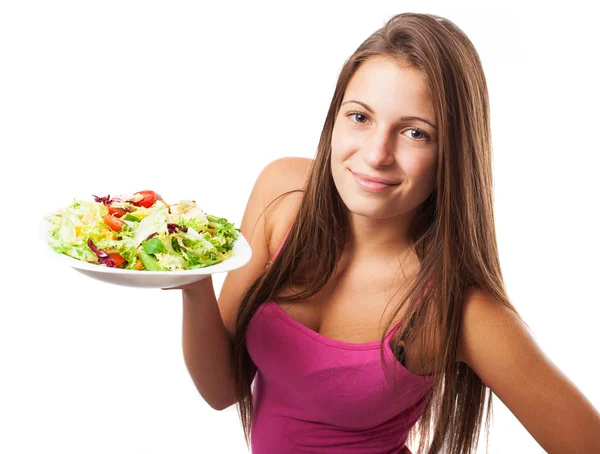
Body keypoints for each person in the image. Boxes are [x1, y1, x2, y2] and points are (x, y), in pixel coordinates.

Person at [171, 13, 600, 453]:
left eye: (415, 133)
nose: (377, 155)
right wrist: (191, 279)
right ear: (334, 119)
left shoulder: (457, 309)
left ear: (452, 153)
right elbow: (222, 389)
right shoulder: (281, 193)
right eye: (360, 117)